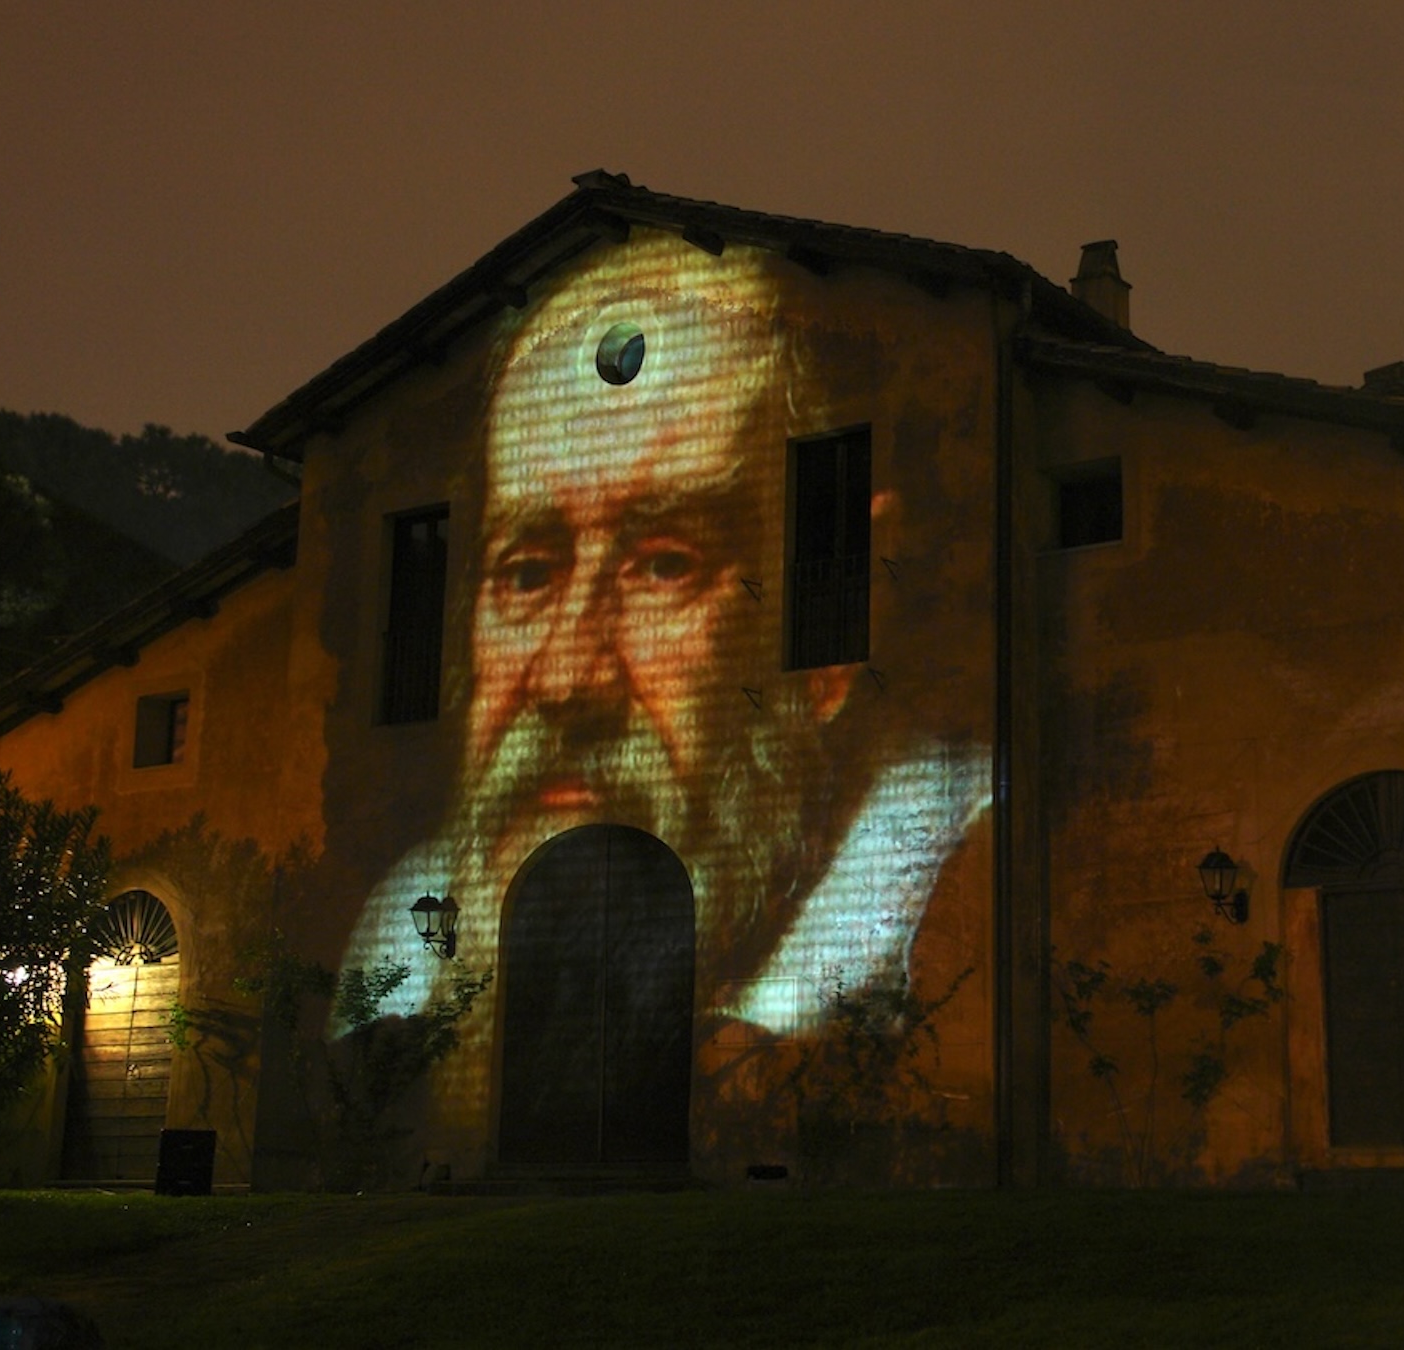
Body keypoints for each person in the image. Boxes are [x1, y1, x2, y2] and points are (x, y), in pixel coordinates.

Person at [341, 238, 990, 1051]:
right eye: (528, 573)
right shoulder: (412, 913)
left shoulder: (962, 879)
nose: (568, 678)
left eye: (664, 566)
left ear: (834, 625)